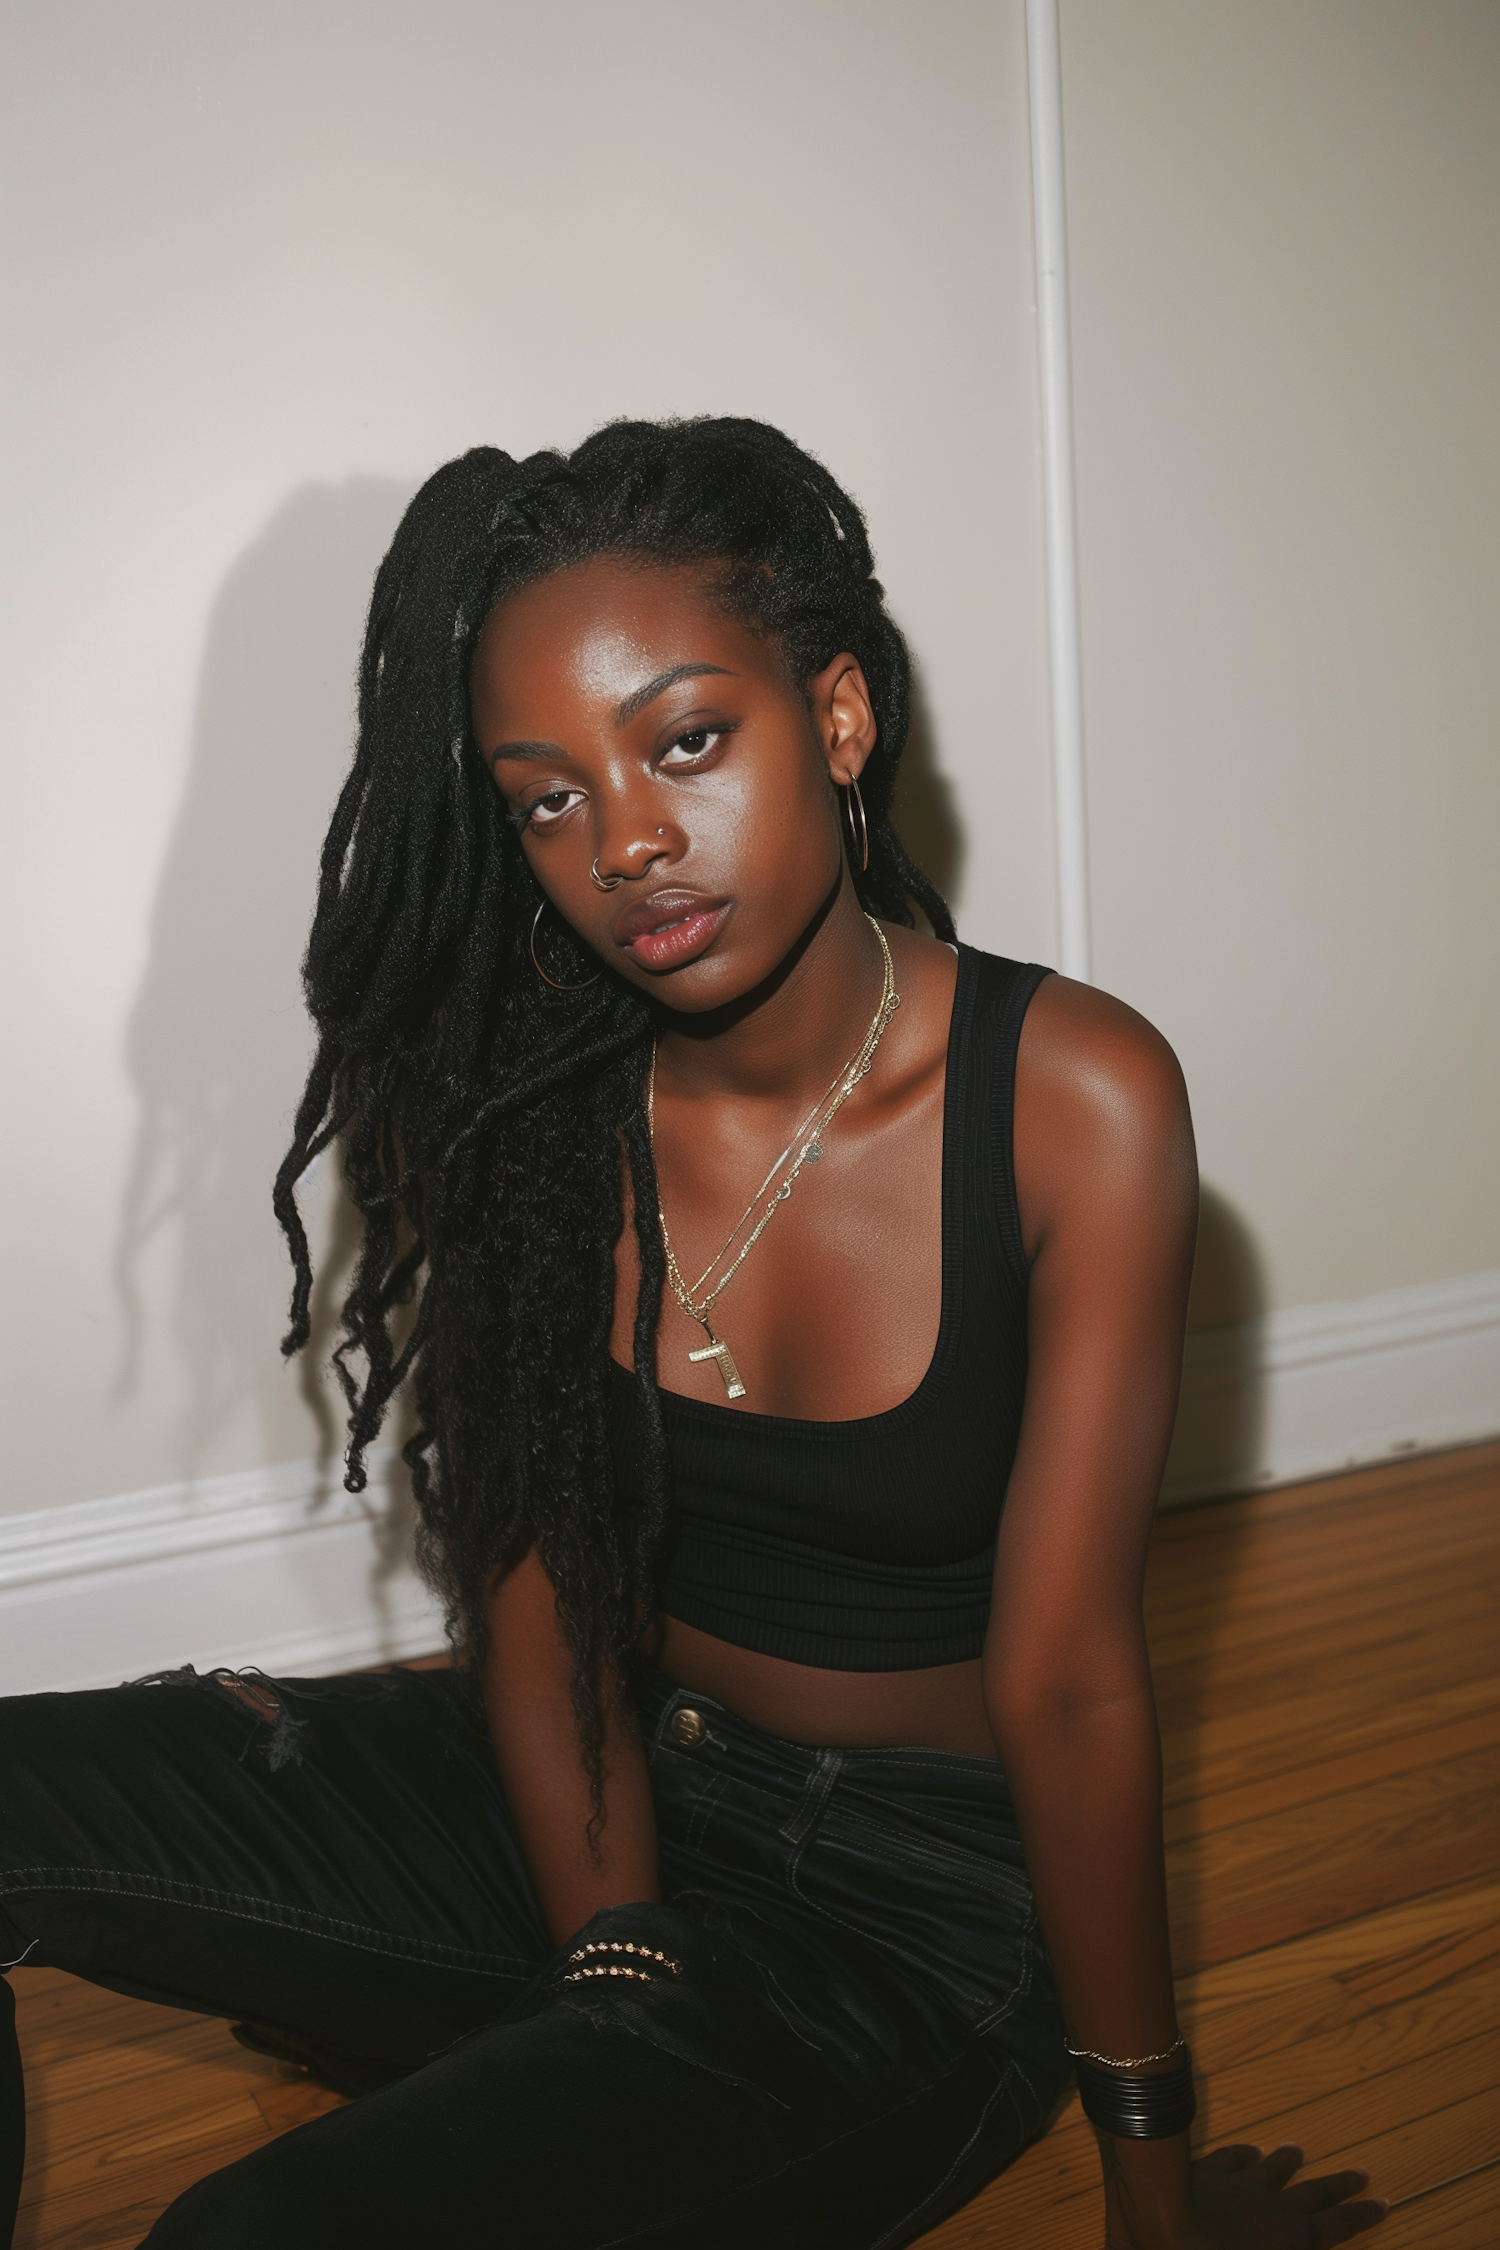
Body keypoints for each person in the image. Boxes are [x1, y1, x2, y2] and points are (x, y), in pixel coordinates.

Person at [0, 419, 1386, 2249]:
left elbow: (1067, 1679)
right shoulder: (541, 1093)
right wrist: (606, 1971)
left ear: (834, 717)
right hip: (588, 1777)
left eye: (685, 740)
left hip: (907, 1911)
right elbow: (534, 1581)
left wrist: (1153, 2192)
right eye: (547, 795)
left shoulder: (1074, 1099)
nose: (628, 841)